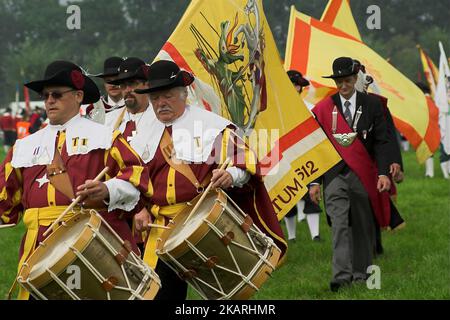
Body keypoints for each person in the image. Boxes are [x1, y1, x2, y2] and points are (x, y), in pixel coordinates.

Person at [133, 60, 287, 300]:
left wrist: (230, 175)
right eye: (155, 99)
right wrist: (139, 209)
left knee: (222, 295)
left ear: (183, 94)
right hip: (160, 230)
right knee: (161, 296)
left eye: (167, 96)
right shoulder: (142, 132)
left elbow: (245, 162)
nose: (160, 103)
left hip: (203, 225)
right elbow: (134, 178)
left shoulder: (211, 127)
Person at [0, 60, 151, 299]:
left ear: (78, 96)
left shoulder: (106, 137)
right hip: (39, 248)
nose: (49, 100)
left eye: (57, 94)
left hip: (91, 241)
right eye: (46, 95)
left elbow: (136, 179)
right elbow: (5, 202)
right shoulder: (23, 147)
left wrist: (108, 189)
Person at [309, 57, 391, 292]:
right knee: (339, 224)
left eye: (347, 81)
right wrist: (314, 182)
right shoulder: (323, 108)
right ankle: (341, 276)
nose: (343, 86)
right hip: (333, 175)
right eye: (339, 81)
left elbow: (382, 142)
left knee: (362, 224)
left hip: (363, 174)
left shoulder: (373, 105)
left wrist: (383, 173)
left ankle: (362, 273)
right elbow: (317, 146)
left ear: (355, 79)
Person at [354, 60, 405, 255]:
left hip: (375, 163)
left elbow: (388, 136)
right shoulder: (337, 104)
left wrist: (395, 162)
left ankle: (375, 244)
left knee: (374, 202)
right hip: (352, 162)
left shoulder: (378, 104)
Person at [104, 57, 155, 253]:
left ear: (147, 84)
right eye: (123, 85)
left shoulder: (160, 119)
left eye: (132, 84)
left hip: (154, 210)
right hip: (120, 213)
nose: (126, 90)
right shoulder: (108, 122)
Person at [284, 70, 322, 242]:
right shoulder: (276, 110)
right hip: (284, 157)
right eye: (291, 84)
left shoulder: (311, 109)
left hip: (307, 154)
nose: (294, 88)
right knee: (288, 196)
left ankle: (315, 235)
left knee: (311, 194)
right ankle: (291, 236)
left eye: (297, 85)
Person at [415, 81, 449, 179]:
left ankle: (430, 173)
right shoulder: (433, 99)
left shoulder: (425, 101)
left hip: (431, 129)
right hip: (439, 129)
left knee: (430, 151)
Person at [83, 56, 125, 123]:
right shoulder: (93, 108)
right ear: (104, 83)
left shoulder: (133, 105)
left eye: (117, 81)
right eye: (108, 81)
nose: (113, 85)